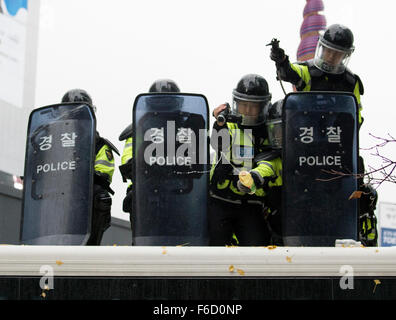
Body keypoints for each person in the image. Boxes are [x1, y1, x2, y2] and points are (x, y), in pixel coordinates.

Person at [209, 74, 274, 246]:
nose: (248, 111)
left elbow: (272, 162)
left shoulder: (269, 132)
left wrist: (256, 177)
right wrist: (219, 125)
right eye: (244, 105)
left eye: (254, 107)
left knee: (258, 248)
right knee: (213, 249)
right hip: (220, 200)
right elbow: (217, 143)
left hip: (251, 204)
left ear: (263, 107)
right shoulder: (229, 125)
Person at [118, 79, 181, 236]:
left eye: (168, 103)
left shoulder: (185, 131)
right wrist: (140, 164)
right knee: (144, 246)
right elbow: (127, 161)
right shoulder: (137, 130)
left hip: (178, 195)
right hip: (144, 193)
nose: (164, 108)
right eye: (160, 103)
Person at [270, 24, 364, 126]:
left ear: (345, 55)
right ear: (322, 48)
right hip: (306, 132)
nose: (331, 56)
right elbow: (290, 72)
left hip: (337, 135)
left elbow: (356, 115)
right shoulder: (308, 71)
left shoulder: (351, 82)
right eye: (329, 50)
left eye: (337, 53)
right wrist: (282, 61)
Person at [61, 89, 120, 245]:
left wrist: (87, 175)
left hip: (85, 197)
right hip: (59, 195)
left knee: (101, 196)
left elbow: (104, 173)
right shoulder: (51, 140)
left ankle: (89, 247)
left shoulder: (99, 144)